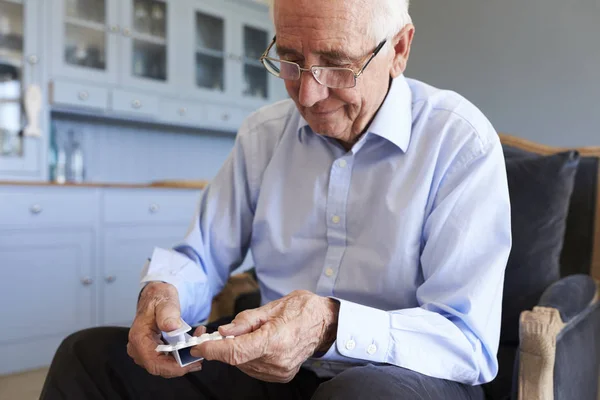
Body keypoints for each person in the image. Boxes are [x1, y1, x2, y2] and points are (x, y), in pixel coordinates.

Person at [41, 0, 511, 398]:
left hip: (405, 374)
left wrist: (328, 326)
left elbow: (465, 340)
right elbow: (202, 256)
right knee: (85, 358)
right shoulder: (262, 135)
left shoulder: (460, 143)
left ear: (400, 49)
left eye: (335, 62)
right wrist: (162, 293)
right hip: (270, 369)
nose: (307, 94)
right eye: (290, 59)